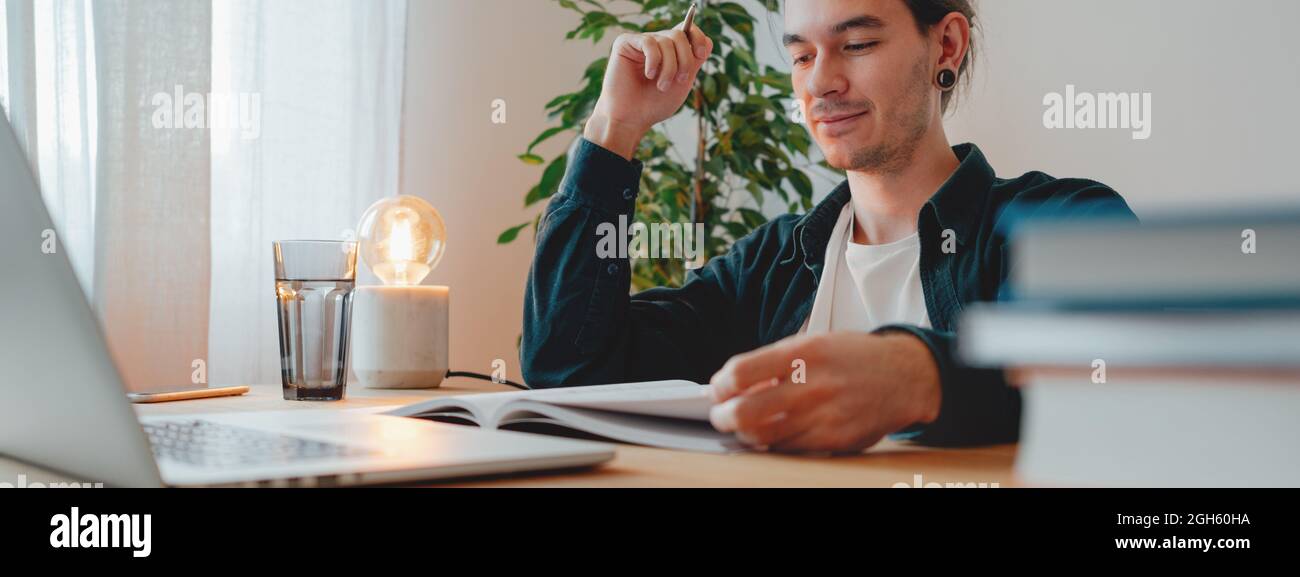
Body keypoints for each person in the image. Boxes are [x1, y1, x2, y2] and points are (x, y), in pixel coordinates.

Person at [521, 0, 1134, 453]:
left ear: (945, 46)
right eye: (802, 56)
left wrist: (915, 377)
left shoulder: (1058, 224)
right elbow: (567, 370)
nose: (820, 83)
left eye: (858, 45)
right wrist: (614, 129)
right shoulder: (772, 264)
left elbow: (1119, 367)